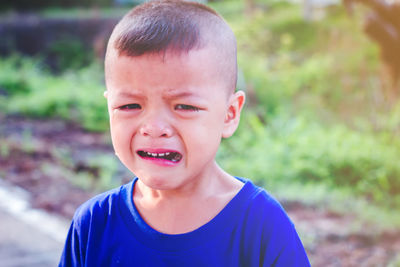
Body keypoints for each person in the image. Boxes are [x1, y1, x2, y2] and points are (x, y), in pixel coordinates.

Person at [59, 0, 310, 266]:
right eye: (130, 105)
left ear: (229, 114)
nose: (154, 128)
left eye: (184, 106)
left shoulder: (260, 224)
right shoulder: (93, 225)